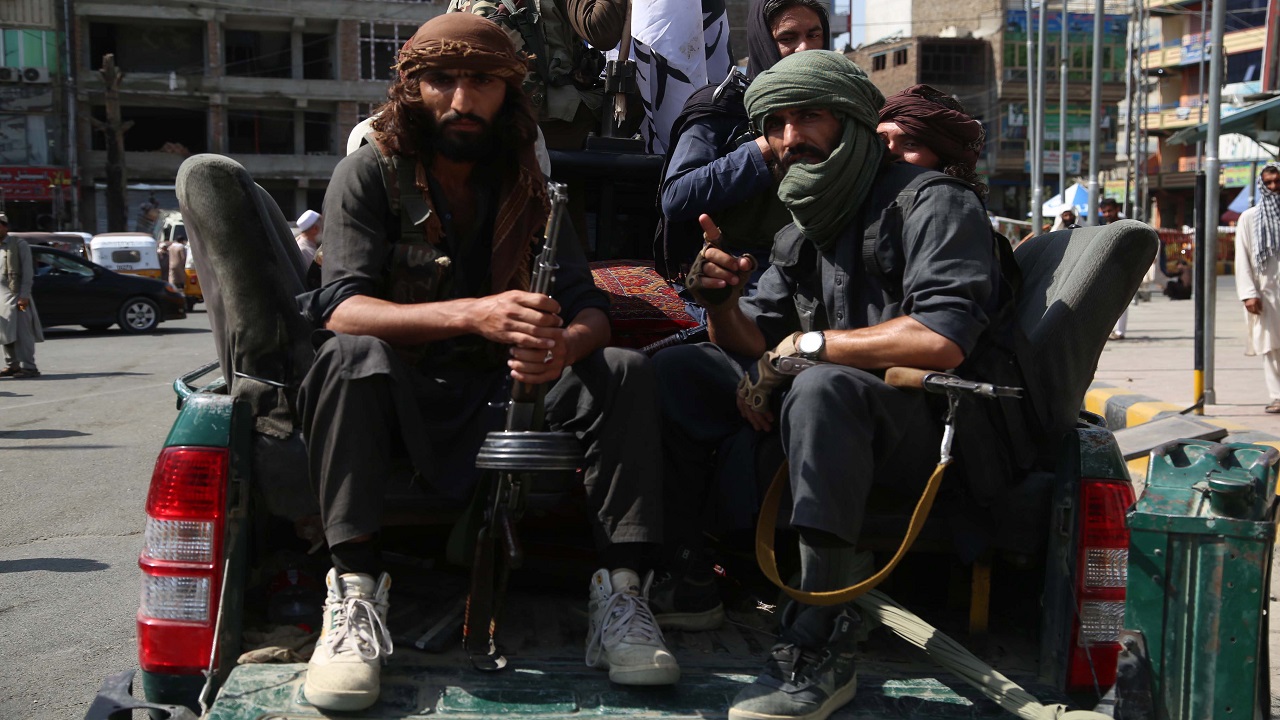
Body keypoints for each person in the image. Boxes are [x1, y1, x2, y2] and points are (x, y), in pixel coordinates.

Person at [295, 14, 677, 712]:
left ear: (509, 92)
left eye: (482, 81)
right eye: (443, 80)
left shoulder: (530, 184)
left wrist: (563, 347)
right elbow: (341, 309)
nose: (463, 100)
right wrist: (474, 313)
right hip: (406, 389)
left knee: (623, 370)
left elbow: (590, 309)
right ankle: (353, 593)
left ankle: (624, 594)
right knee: (348, 358)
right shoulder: (368, 172)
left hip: (510, 391)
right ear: (412, 88)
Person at [653, 51, 1023, 720]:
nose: (790, 137)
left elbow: (942, 337)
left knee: (821, 388)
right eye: (776, 123)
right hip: (826, 424)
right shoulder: (808, 223)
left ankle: (818, 639)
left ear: (852, 121)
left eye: (809, 117)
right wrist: (721, 301)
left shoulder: (934, 201)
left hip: (931, 433)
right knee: (675, 372)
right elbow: (751, 340)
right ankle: (690, 576)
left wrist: (805, 351)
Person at [657, 0, 829, 290]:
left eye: (814, 35)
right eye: (788, 38)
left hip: (821, 270)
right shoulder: (725, 106)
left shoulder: (839, 110)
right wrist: (767, 147)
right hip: (740, 275)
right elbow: (677, 197)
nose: (804, 48)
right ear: (764, 42)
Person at [876, 83, 987, 201]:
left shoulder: (945, 203)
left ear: (945, 158)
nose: (890, 152)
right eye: (881, 142)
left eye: (910, 144)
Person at [1234, 162, 1280, 413]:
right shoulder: (1250, 218)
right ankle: (1277, 395)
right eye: (1268, 182)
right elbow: (1241, 257)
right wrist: (1248, 293)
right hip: (1265, 292)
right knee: (1270, 345)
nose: (1273, 187)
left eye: (1277, 181)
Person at [0, 213, 44, 378]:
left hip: (17, 296)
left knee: (22, 334)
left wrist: (24, 296)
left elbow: (27, 273)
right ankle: (12, 365)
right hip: (1, 298)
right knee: (5, 333)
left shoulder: (19, 245)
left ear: (5, 227)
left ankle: (29, 367)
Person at [167, 228, 188, 293]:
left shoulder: (171, 246)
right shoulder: (181, 247)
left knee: (172, 276)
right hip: (179, 264)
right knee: (181, 277)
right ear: (182, 241)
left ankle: (171, 287)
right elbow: (183, 257)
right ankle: (181, 288)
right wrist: (184, 263)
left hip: (171, 263)